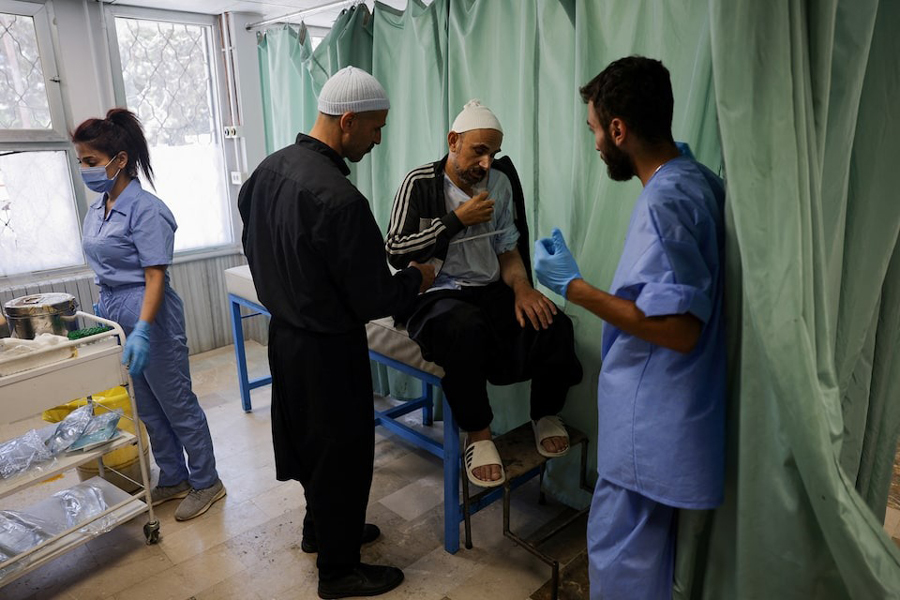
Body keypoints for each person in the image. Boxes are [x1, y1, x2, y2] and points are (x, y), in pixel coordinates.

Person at [533, 56, 726, 599]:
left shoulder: (665, 200)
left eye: (595, 129)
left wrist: (573, 287)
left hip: (649, 425)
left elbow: (681, 327)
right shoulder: (695, 179)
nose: (595, 143)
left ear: (619, 129)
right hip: (674, 417)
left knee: (623, 566)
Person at [238, 66, 434, 599]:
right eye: (375, 128)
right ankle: (339, 571)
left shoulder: (267, 171)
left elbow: (250, 239)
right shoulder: (341, 201)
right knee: (342, 456)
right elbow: (376, 297)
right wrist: (421, 275)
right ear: (347, 121)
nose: (378, 139)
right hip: (328, 349)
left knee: (309, 445)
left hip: (287, 338)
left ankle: (319, 531)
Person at [385, 100, 583, 488]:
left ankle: (544, 413)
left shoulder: (499, 185)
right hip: (435, 293)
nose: (487, 163)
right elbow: (395, 250)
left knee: (553, 323)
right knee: (463, 328)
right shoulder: (420, 183)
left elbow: (507, 248)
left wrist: (523, 288)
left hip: (488, 288)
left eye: (494, 153)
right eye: (479, 151)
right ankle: (478, 432)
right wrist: (456, 220)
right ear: (453, 141)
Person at [73, 108, 225, 521]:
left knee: (176, 403)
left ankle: (207, 481)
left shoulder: (146, 209)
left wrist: (141, 327)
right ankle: (174, 476)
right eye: (81, 161)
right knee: (147, 408)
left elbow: (155, 275)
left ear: (119, 160)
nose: (85, 169)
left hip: (149, 314)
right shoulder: (98, 209)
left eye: (91, 161)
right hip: (118, 314)